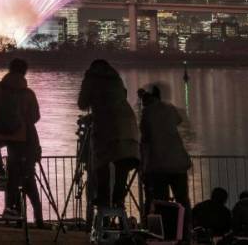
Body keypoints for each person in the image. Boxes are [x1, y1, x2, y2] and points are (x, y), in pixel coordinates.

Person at [0, 57, 43, 226]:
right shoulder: (28, 93)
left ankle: (11, 207)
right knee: (28, 179)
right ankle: (36, 218)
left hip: (2, 138)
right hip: (24, 140)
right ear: (25, 72)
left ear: (9, 69)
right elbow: (34, 117)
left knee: (12, 177)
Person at [77, 59, 139, 209]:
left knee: (101, 161)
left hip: (106, 126)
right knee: (122, 161)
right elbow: (117, 101)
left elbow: (82, 104)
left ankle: (103, 198)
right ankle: (118, 199)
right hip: (128, 124)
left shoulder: (91, 78)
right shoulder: (116, 78)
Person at [139, 85, 190, 225]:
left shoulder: (147, 113)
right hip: (178, 163)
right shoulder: (170, 108)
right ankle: (185, 231)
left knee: (161, 202)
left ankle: (164, 232)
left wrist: (143, 166)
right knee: (183, 200)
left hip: (159, 166)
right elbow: (178, 120)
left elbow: (145, 139)